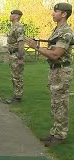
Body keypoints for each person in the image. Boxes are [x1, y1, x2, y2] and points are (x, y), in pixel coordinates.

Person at [26, 3, 73, 147]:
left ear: (64, 14)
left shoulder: (66, 32)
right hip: (55, 70)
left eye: (56, 11)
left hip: (61, 71)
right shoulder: (57, 30)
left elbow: (55, 53)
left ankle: (60, 135)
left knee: (61, 104)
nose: (53, 14)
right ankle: (55, 132)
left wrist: (36, 47)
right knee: (55, 103)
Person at [5, 10, 25, 104]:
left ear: (17, 16)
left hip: (16, 55)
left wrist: (20, 58)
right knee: (14, 76)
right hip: (12, 54)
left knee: (17, 76)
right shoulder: (13, 26)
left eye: (11, 14)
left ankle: (18, 98)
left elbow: (21, 43)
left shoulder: (19, 27)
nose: (10, 15)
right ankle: (16, 95)